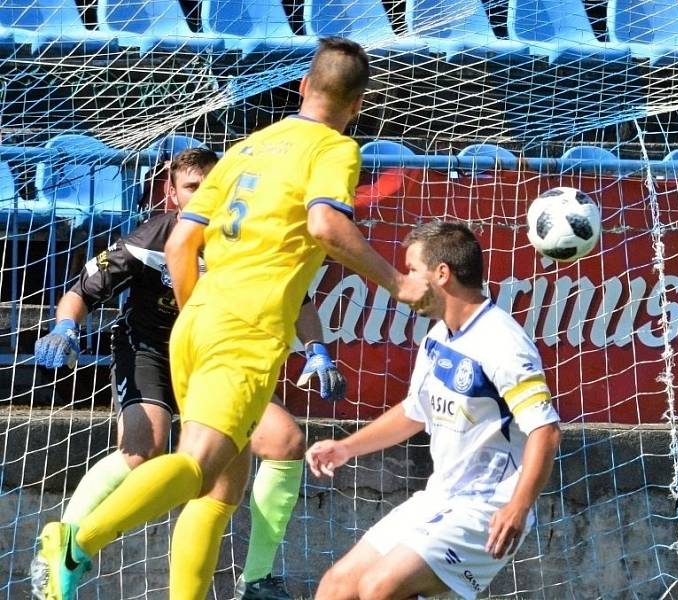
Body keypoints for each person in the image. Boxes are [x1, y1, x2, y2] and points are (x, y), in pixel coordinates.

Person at [31, 36, 433, 600]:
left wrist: (203, 314)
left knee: (221, 490)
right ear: (358, 105)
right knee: (196, 466)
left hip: (199, 321)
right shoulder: (336, 150)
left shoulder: (248, 146)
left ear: (301, 87)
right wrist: (398, 282)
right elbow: (325, 226)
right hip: (247, 330)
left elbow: (181, 245)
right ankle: (76, 541)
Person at [29, 147, 346, 600]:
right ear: (171, 194)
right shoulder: (152, 238)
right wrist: (65, 327)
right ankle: (63, 543)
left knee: (285, 442)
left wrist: (317, 350)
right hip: (151, 353)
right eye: (192, 187)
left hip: (218, 359)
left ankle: (256, 580)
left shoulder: (244, 240)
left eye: (210, 186)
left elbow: (298, 299)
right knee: (145, 449)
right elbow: (82, 289)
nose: (203, 196)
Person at [306, 221, 562, 600]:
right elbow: (415, 411)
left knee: (379, 587)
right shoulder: (439, 335)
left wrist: (518, 507)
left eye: (411, 271)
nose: (404, 282)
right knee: (336, 587)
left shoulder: (503, 343)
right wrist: (347, 448)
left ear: (442, 274)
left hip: (486, 508)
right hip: (440, 497)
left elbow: (546, 431)